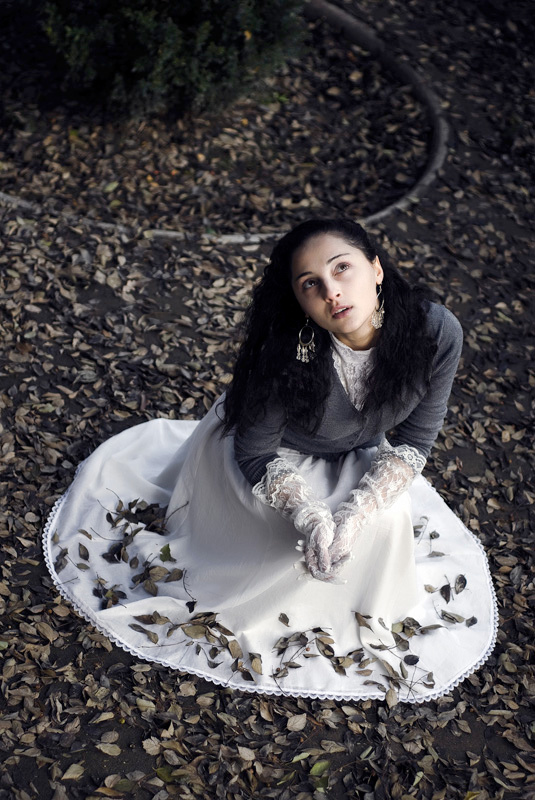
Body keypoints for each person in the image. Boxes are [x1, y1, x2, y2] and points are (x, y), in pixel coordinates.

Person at [44, 218, 497, 703]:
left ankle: (349, 611)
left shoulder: (435, 332)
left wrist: (356, 512)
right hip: (266, 457)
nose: (332, 292)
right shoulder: (285, 351)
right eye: (310, 284)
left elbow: (415, 439)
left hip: (355, 450)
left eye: (342, 269)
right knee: (289, 546)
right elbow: (254, 450)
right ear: (300, 299)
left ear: (376, 268)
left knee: (384, 521)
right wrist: (310, 514)